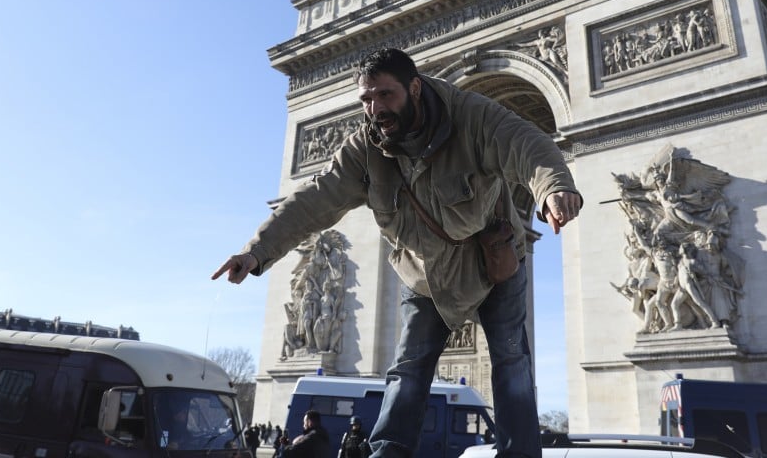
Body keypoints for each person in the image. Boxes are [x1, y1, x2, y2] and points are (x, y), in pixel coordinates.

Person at [213, 48, 583, 458]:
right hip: (424, 272)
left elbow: (525, 144)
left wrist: (554, 187)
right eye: (366, 99)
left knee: (511, 362)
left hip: (492, 262)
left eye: (385, 95)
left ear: (415, 87)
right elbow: (314, 199)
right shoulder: (363, 148)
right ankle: (388, 452)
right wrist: (257, 251)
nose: (375, 108)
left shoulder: (472, 116)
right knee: (407, 369)